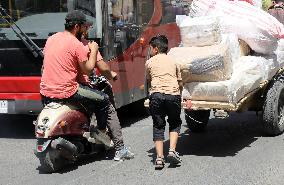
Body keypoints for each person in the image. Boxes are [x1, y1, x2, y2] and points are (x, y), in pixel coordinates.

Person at [40, 10, 134, 161]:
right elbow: (90, 69)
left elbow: (45, 66)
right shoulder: (80, 45)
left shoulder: (52, 39)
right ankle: (111, 140)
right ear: (77, 27)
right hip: (68, 90)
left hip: (45, 91)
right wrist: (95, 50)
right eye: (85, 26)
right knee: (104, 100)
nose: (86, 29)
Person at [145, 35, 183, 169]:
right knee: (174, 122)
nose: (149, 51)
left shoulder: (149, 62)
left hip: (156, 96)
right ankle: (172, 151)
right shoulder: (174, 62)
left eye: (150, 48)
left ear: (155, 49)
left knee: (158, 124)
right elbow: (180, 82)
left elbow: (149, 80)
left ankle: (159, 158)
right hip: (173, 95)